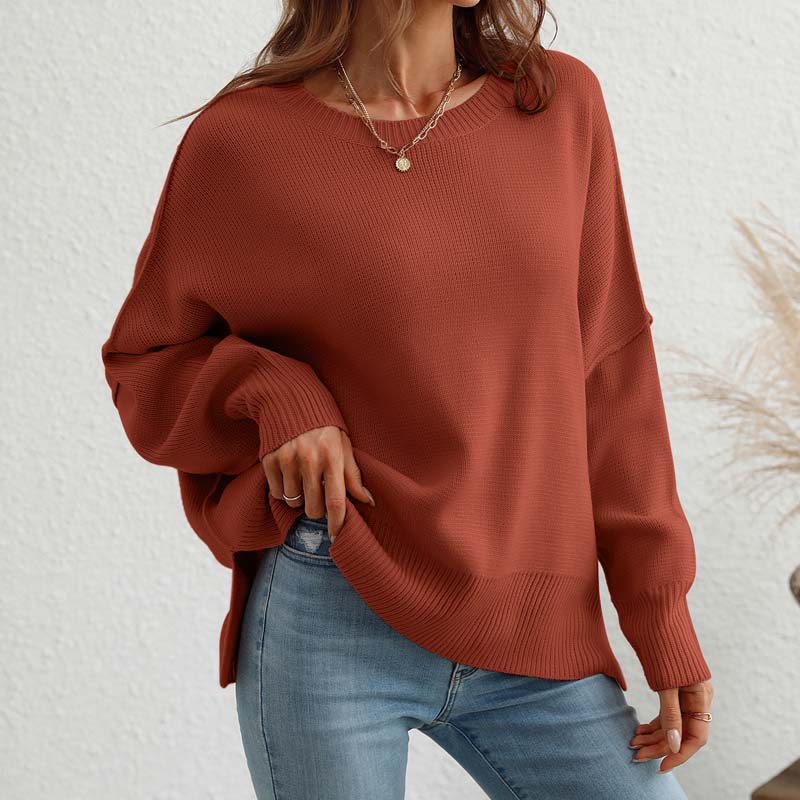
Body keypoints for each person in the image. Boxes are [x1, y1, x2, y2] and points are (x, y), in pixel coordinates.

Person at [100, 1, 714, 797]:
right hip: (332, 610)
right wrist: (273, 392)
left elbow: (611, 374)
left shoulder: (558, 105)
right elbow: (145, 363)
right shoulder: (242, 141)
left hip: (533, 620)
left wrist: (660, 615)